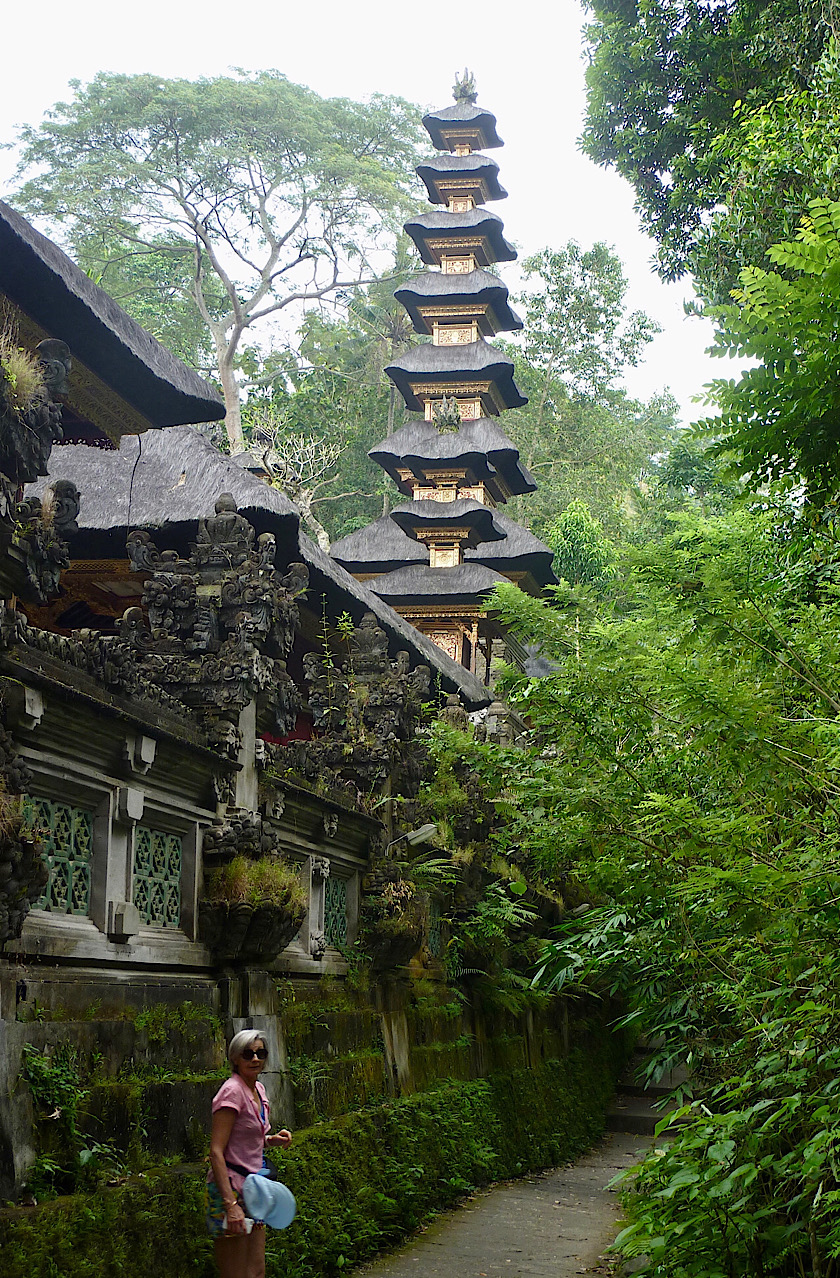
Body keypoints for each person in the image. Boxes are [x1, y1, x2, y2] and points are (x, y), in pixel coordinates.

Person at [207, 1030, 292, 1278]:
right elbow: (216, 1151)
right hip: (230, 1189)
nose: (255, 1059)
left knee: (256, 1272)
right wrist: (230, 1204)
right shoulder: (232, 1091)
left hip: (255, 1190)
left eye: (260, 1053)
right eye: (248, 1053)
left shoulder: (259, 1090)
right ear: (235, 1058)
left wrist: (271, 1140)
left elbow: (246, 1138)